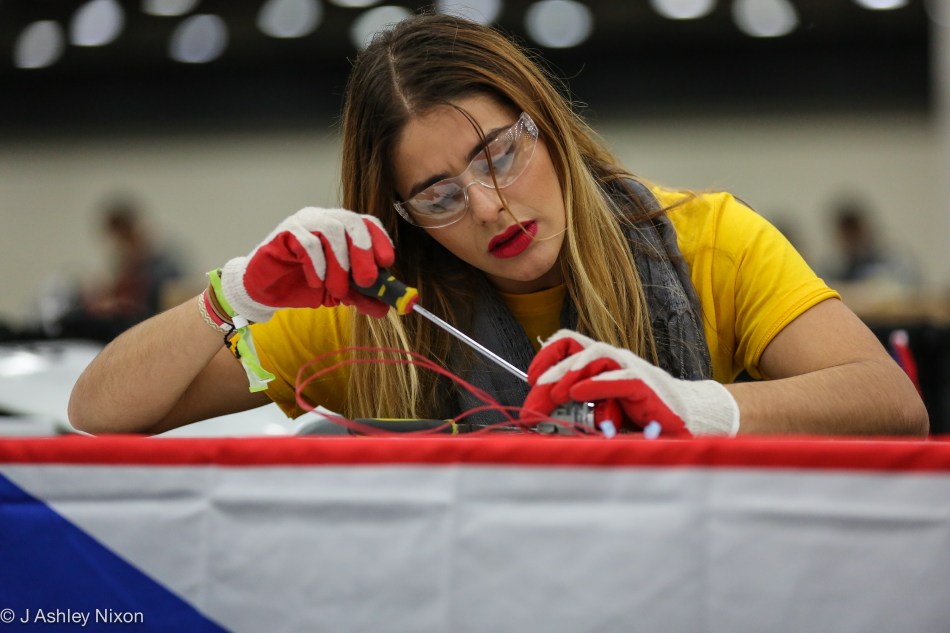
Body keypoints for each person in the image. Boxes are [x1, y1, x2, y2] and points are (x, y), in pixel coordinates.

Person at [68, 13, 928, 437]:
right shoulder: (376, 309)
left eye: (497, 155)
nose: (487, 205)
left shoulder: (707, 237)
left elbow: (893, 408)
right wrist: (237, 293)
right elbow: (95, 412)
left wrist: (695, 405)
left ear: (545, 125)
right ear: (401, 216)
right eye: (438, 196)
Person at [55, 196, 185, 342]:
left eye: (121, 237)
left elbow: (164, 307)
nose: (117, 245)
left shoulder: (164, 267)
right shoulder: (124, 265)